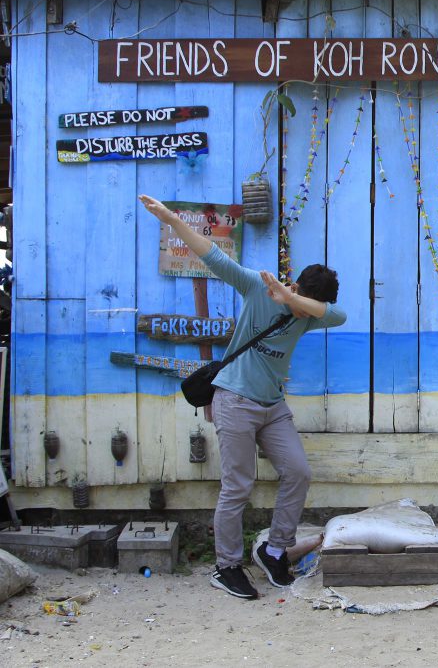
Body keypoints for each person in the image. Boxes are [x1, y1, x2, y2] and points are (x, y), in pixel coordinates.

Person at [139, 195, 346, 600]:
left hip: (272, 406)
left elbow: (335, 315)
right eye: (305, 302)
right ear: (297, 285)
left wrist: (293, 302)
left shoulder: (310, 312)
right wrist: (169, 219)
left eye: (311, 307)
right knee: (238, 486)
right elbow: (211, 256)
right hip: (234, 399)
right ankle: (227, 565)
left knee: (298, 472)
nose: (307, 314)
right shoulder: (256, 285)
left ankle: (273, 551)